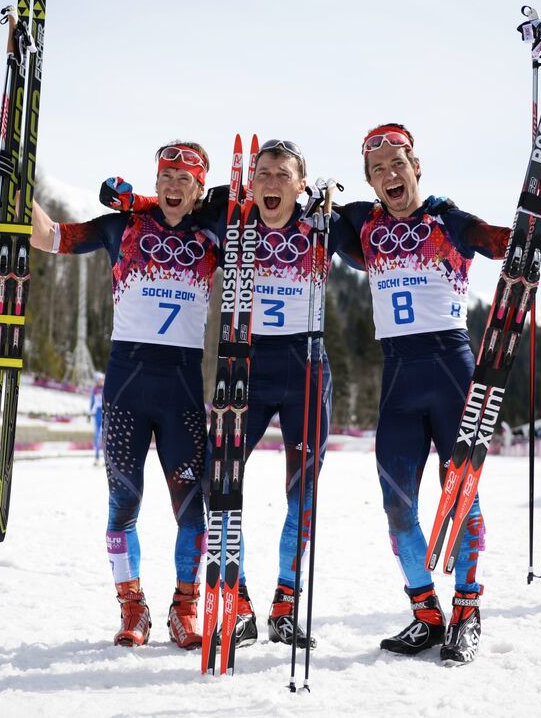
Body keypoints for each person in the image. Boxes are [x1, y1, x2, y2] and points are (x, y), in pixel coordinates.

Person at [103, 139, 362, 649]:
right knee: (220, 488)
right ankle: (235, 600)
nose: (270, 182)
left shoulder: (321, 226)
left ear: (300, 184)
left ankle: (285, 604)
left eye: (282, 174)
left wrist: (337, 200)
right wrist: (134, 201)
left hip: (306, 369)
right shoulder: (229, 218)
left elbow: (380, 233)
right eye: (261, 173)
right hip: (242, 364)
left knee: (301, 494)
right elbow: (181, 205)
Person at [339, 123, 541, 665]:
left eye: (398, 163)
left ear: (416, 166)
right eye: (377, 170)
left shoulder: (449, 220)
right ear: (371, 183)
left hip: (451, 372)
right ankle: (425, 613)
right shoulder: (365, 228)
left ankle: (467, 610)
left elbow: (509, 245)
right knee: (397, 504)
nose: (389, 175)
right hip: (396, 378)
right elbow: (311, 219)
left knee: (461, 497)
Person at [31, 141, 218, 649]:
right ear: (156, 182)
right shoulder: (123, 227)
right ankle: (132, 606)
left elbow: (256, 223)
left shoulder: (212, 233)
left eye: (186, 179)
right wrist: (20, 186)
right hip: (127, 386)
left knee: (190, 508)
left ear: (199, 189)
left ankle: (185, 606)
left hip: (180, 387)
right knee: (122, 503)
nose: (175, 186)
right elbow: (50, 237)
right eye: (167, 176)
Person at [89, 371, 105, 464]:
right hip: (98, 413)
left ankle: (105, 459)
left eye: (101, 379)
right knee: (97, 436)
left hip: (104, 412)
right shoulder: (94, 389)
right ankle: (97, 457)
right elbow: (92, 401)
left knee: (105, 436)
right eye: (99, 379)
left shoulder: (105, 388)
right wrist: (90, 412)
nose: (100, 381)